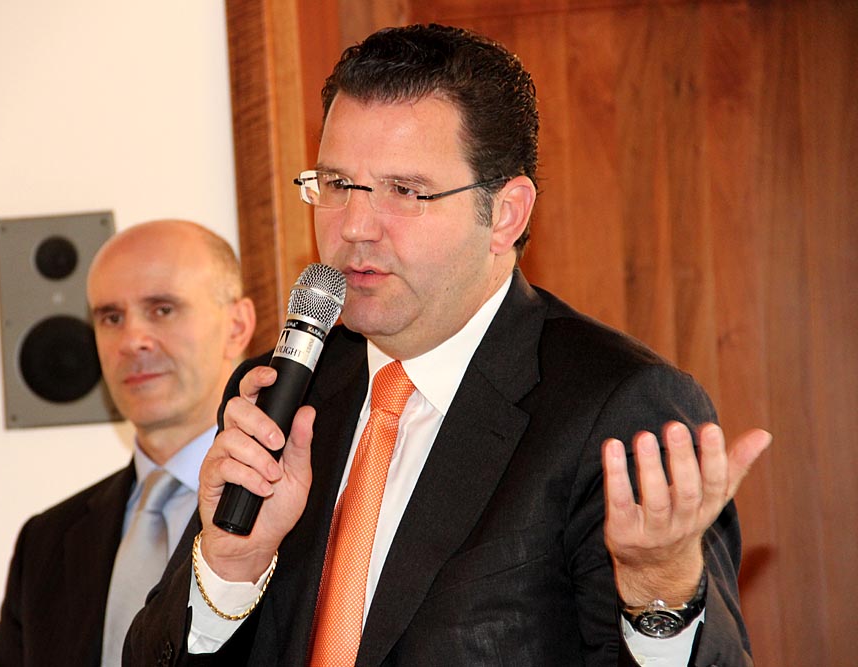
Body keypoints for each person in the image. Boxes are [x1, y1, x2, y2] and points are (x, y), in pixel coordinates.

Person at [123, 25, 771, 666]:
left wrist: (658, 594)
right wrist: (231, 567)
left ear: (506, 214)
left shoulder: (616, 410)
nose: (355, 227)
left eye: (405, 191)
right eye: (338, 184)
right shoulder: (282, 393)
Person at [0, 220, 256, 667]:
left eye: (162, 309)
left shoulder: (301, 508)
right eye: (111, 318)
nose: (132, 341)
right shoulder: (45, 543)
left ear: (237, 326)